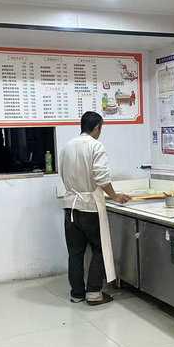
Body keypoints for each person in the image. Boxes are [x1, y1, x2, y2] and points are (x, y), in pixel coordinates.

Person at [58, 112, 130, 305]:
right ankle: (94, 293)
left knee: (75, 253)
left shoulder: (67, 146)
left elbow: (62, 174)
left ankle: (77, 294)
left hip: (70, 208)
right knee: (99, 249)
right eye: (101, 128)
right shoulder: (95, 146)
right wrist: (115, 196)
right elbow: (102, 178)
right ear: (97, 127)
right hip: (89, 208)